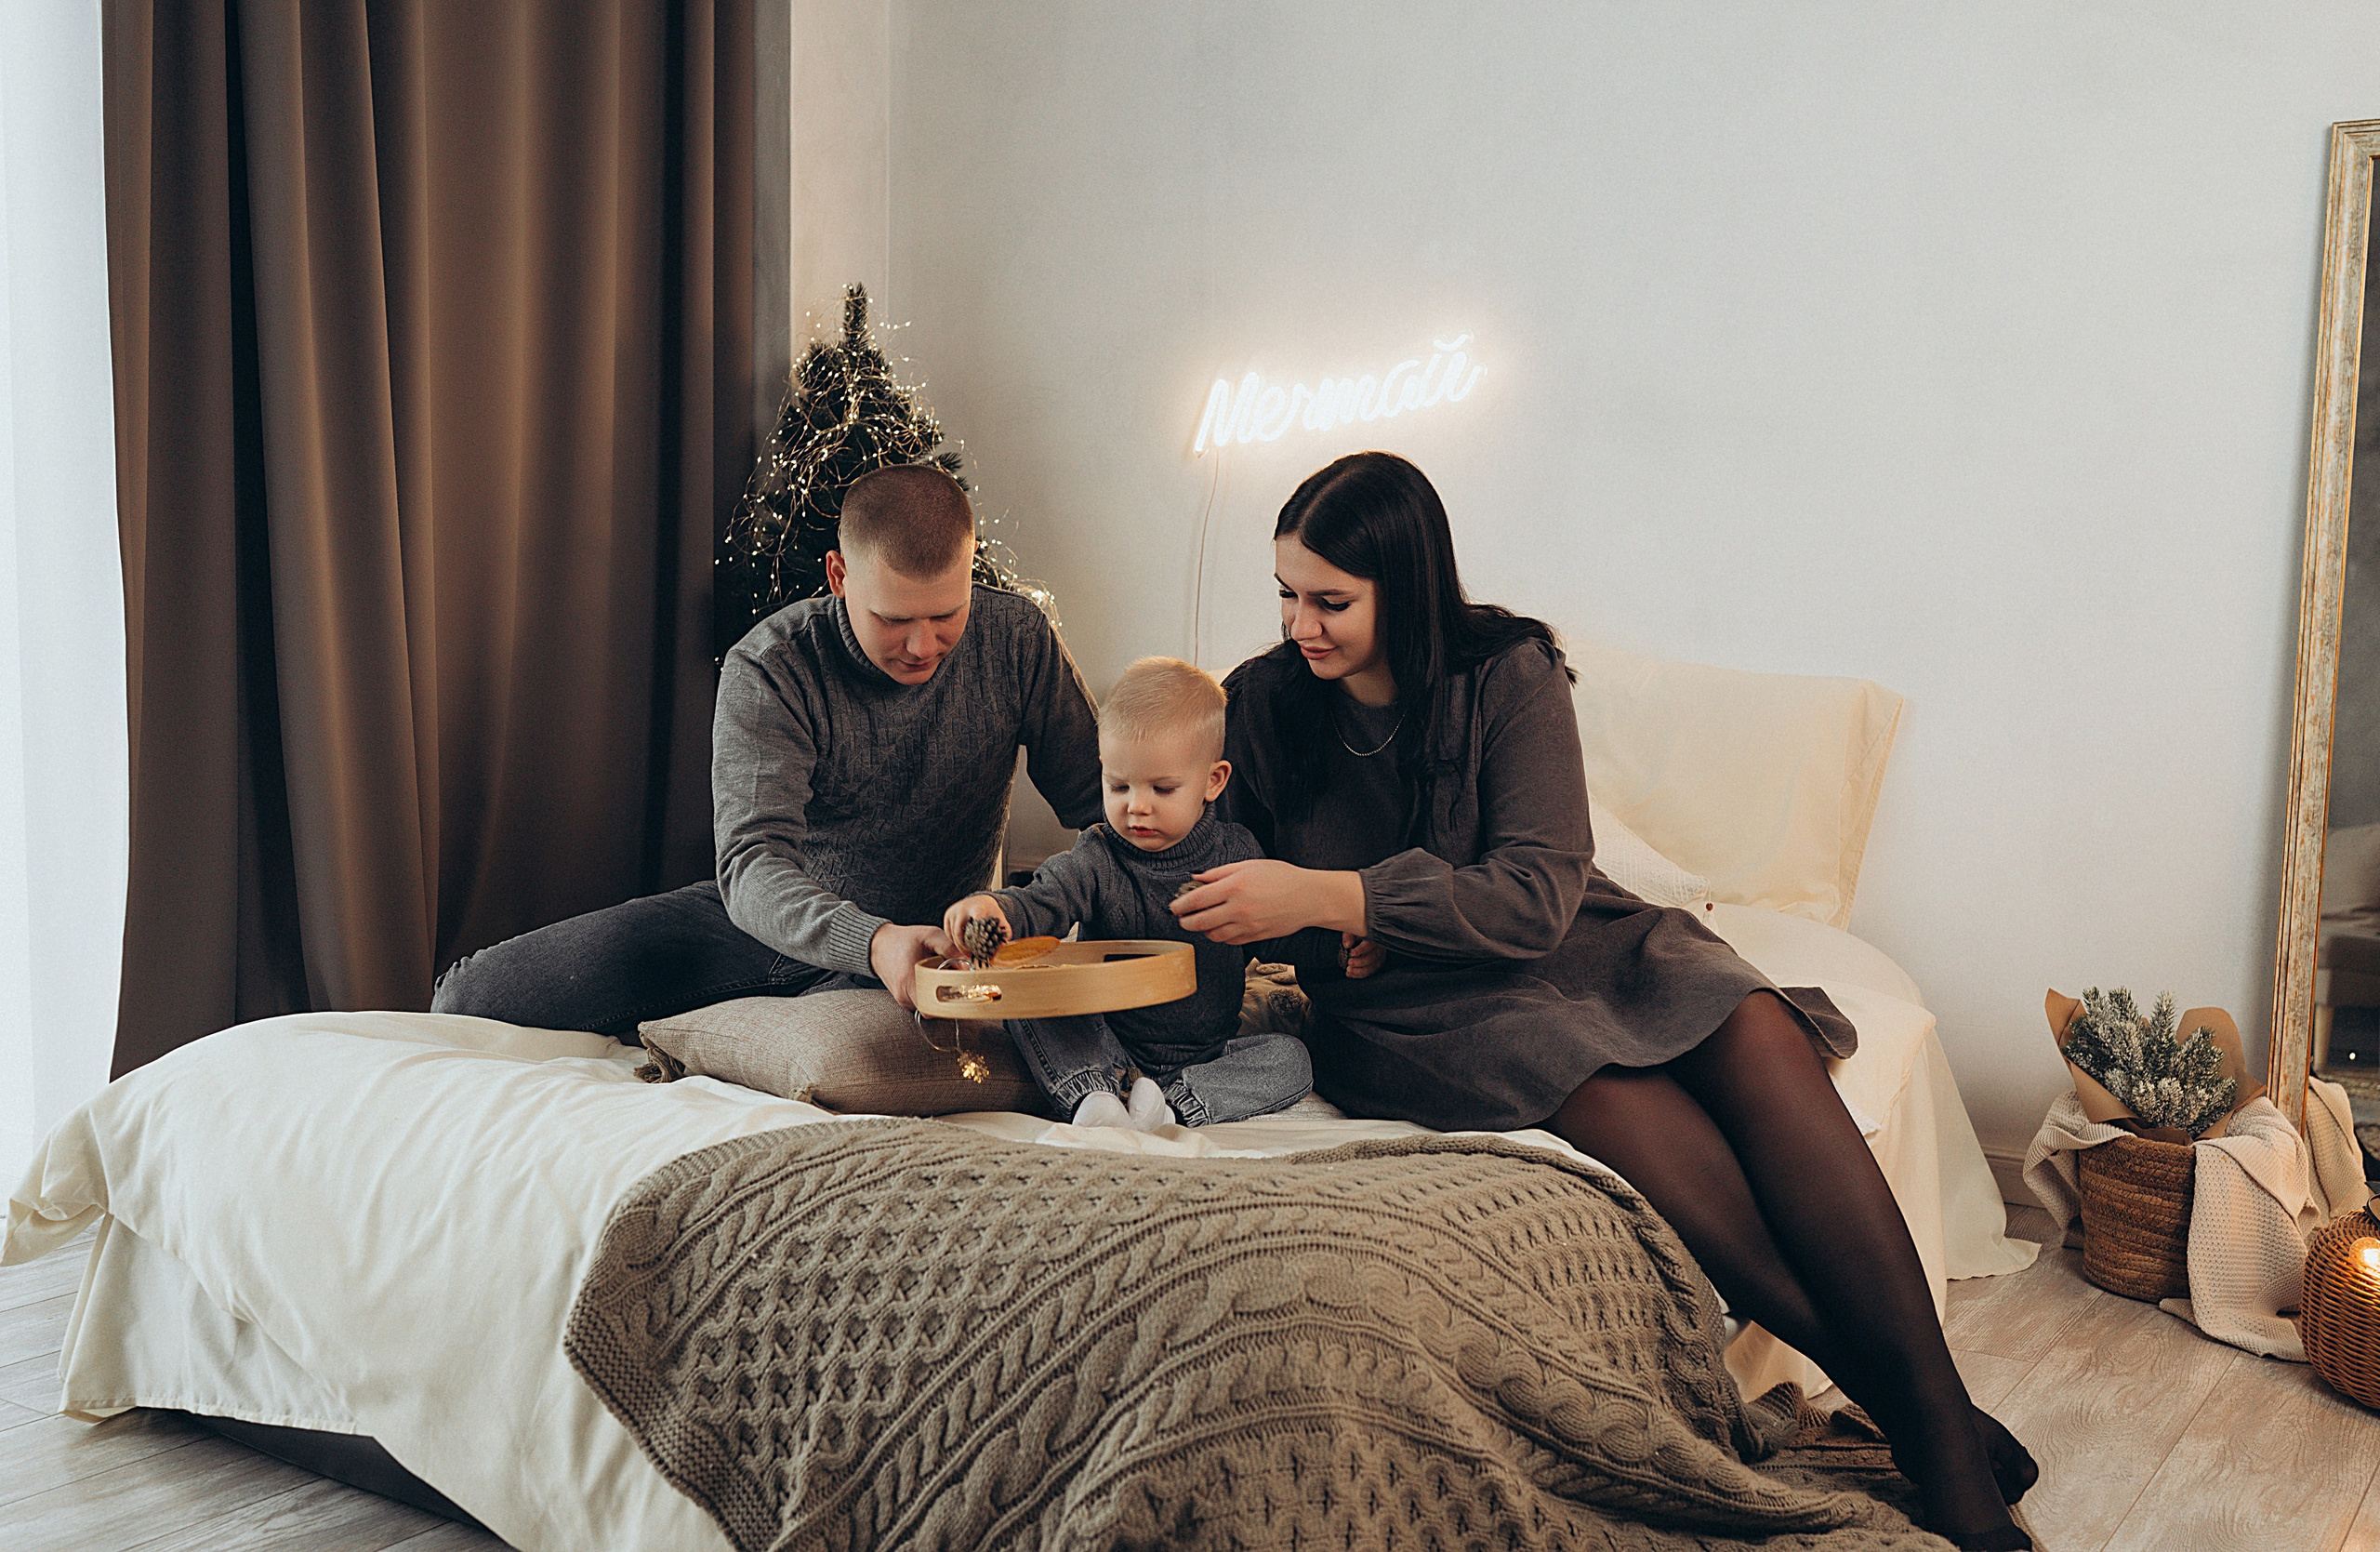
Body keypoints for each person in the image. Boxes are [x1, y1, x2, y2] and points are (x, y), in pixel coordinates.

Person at [1171, 451, 2035, 1552]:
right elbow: (1247, 892)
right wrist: (1326, 926)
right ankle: (1942, 1440)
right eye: (1287, 594)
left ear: (1409, 583)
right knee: (1620, 1097)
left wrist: (1340, 895)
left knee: (1754, 1020)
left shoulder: (1508, 670)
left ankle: (1928, 1415)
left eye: (1330, 600)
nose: (1302, 623)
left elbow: (1536, 895)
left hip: (1570, 937)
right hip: (1427, 1008)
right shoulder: (1260, 704)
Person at [430, 463, 1102, 1033]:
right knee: (469, 1000)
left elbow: (1107, 809)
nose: (923, 645)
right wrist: (868, 941)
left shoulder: (1017, 639)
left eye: (945, 615)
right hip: (769, 925)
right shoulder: (772, 666)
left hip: (932, 953)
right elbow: (751, 865)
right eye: (894, 619)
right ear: (839, 576)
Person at [944, 657, 1330, 1131]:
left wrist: (1335, 947)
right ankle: (1094, 1098)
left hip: (1204, 1053)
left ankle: (1172, 1109)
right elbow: (1045, 898)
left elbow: (1276, 937)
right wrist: (995, 910)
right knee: (1031, 1007)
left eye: (1162, 789)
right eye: (1119, 785)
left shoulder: (1237, 853)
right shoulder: (1098, 855)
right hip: (1105, 1041)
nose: (1136, 807)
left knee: (1291, 1057)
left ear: (1214, 782)